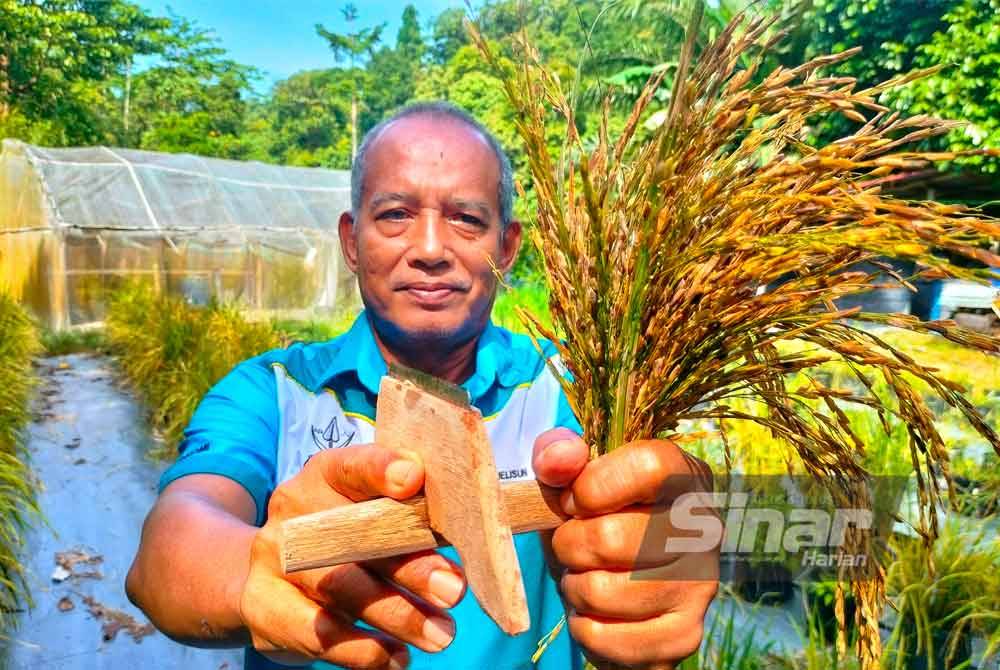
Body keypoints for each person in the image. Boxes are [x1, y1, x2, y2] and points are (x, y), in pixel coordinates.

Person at [126, 101, 719, 670]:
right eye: (394, 216)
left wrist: (677, 545)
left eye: (465, 219)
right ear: (352, 242)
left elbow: (662, 507)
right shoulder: (273, 392)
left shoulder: (570, 386)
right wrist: (254, 572)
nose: (431, 250)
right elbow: (168, 550)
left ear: (506, 248)